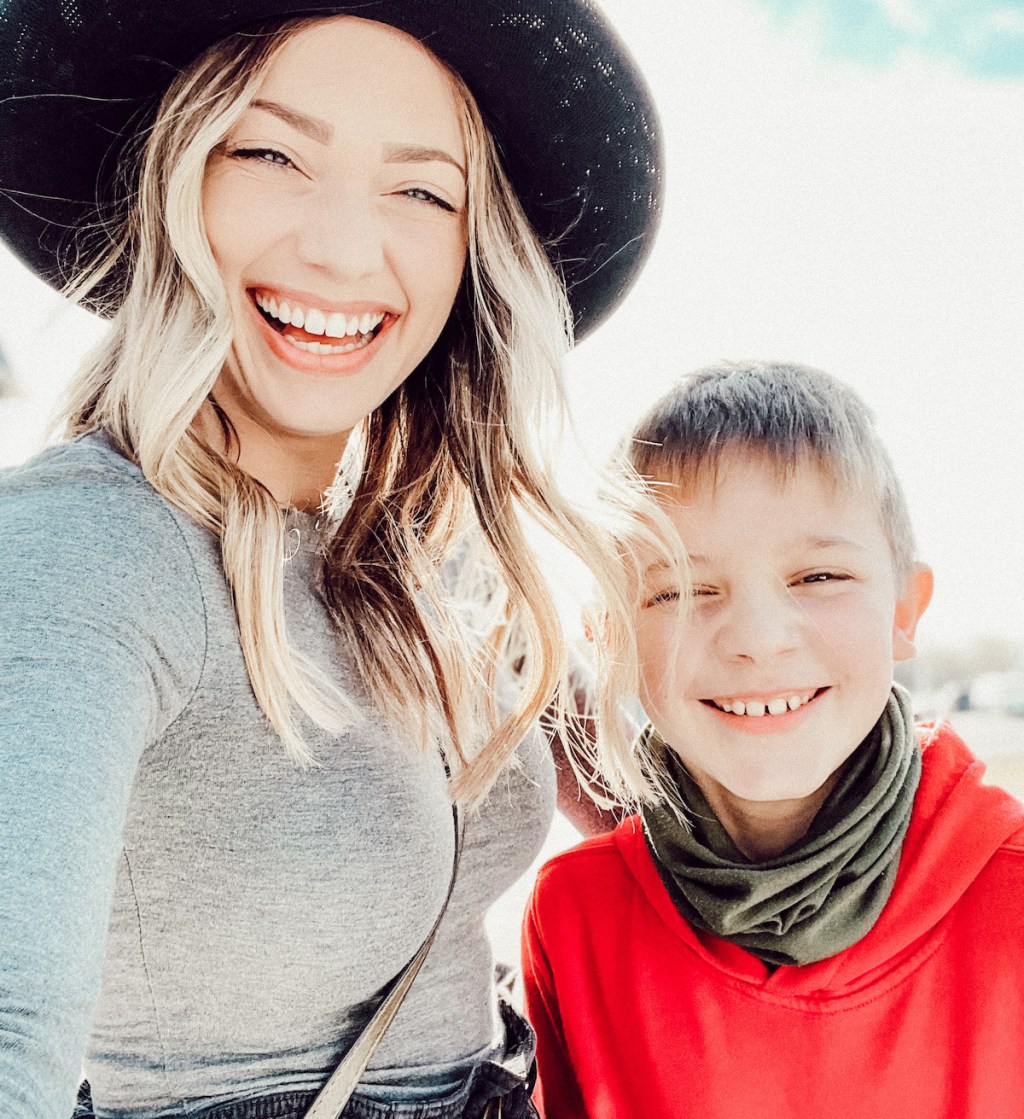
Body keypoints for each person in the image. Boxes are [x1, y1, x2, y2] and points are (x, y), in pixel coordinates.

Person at [0, 4, 663, 1118]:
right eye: (269, 153)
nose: (345, 249)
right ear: (174, 181)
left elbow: (675, 808)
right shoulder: (81, 553)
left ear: (472, 248)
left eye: (421, 189)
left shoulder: (417, 561)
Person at [521, 362, 1024, 1119]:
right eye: (683, 590)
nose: (757, 638)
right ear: (611, 636)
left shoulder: (1010, 896)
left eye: (819, 575)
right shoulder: (574, 918)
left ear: (905, 610)